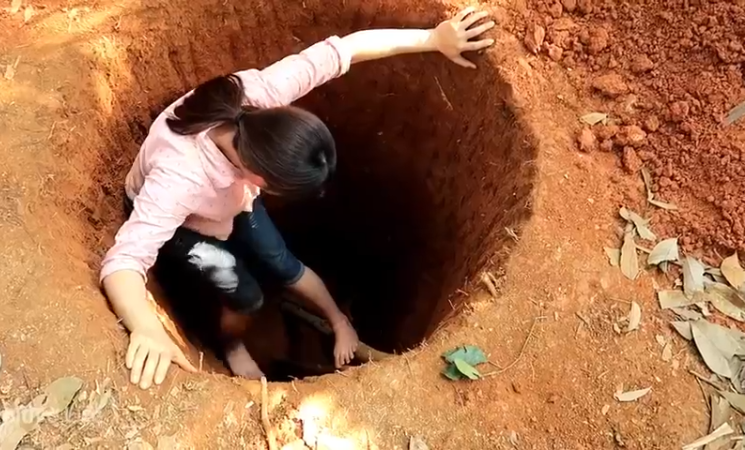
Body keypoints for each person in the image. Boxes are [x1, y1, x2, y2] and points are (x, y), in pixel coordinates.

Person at [100, 6, 496, 389]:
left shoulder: (263, 97)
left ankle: (335, 316)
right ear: (262, 178)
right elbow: (124, 262)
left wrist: (432, 38)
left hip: (230, 199)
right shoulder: (179, 178)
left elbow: (346, 49)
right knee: (246, 293)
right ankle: (232, 342)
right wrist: (148, 329)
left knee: (278, 258)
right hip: (185, 225)